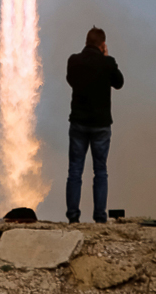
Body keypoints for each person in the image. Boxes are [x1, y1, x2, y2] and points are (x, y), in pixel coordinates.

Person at [65, 27, 124, 224]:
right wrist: (107, 58)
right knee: (100, 170)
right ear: (102, 44)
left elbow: (71, 81)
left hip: (79, 123)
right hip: (100, 125)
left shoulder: (74, 60)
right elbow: (119, 83)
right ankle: (100, 216)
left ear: (86, 41)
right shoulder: (107, 63)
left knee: (75, 170)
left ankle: (73, 216)